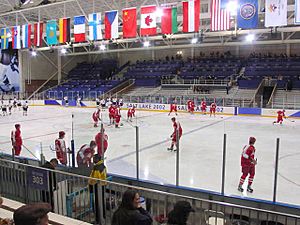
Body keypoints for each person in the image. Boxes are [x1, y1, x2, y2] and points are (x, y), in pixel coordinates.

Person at [88, 154, 107, 224]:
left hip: (98, 187)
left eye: (94, 158)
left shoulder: (97, 167)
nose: (93, 160)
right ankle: (102, 217)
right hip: (102, 186)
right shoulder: (103, 165)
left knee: (98, 203)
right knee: (101, 202)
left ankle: (98, 220)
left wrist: (90, 183)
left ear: (97, 159)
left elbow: (95, 179)